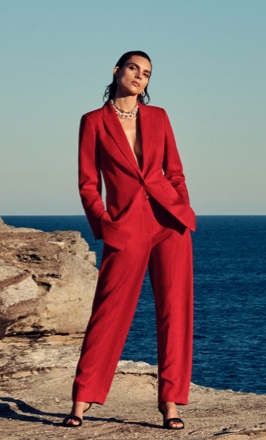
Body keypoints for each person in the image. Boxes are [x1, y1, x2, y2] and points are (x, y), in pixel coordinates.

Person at [62, 51, 196, 430]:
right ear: (117, 71)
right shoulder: (92, 122)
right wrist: (105, 224)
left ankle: (171, 404)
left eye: (147, 73)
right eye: (134, 69)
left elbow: (175, 170)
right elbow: (88, 184)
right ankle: (81, 400)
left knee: (175, 312)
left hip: (170, 222)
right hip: (125, 226)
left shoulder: (159, 117)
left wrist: (183, 207)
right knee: (109, 312)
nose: (140, 77)